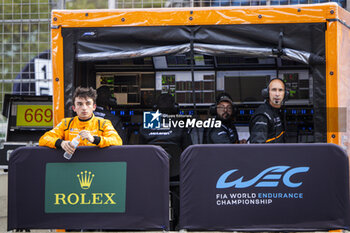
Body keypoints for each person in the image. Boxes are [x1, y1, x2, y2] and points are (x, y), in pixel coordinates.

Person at [39, 87, 122, 155]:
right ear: (74, 108)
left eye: (88, 103)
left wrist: (94, 139)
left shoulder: (103, 123)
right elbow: (44, 139)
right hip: (72, 166)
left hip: (96, 165)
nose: (84, 108)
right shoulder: (66, 123)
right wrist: (61, 143)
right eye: (80, 104)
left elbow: (117, 141)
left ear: (94, 107)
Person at [249, 78, 287, 143]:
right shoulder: (262, 117)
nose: (277, 94)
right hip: (270, 153)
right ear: (267, 93)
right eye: (274, 90)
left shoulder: (278, 111)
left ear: (285, 94)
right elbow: (258, 147)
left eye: (280, 90)